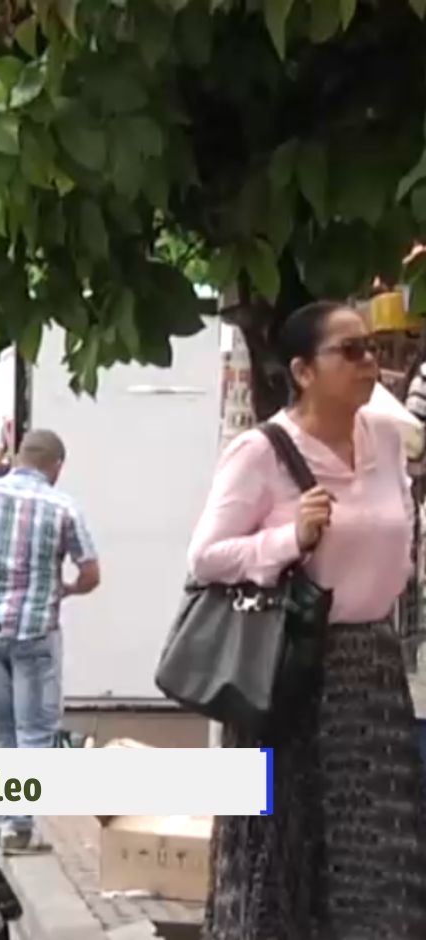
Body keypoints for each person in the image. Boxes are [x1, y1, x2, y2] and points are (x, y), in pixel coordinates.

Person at [189, 301, 426, 939]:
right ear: (301, 370)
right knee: (283, 854)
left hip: (372, 673)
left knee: (377, 858)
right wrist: (288, 538)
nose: (368, 361)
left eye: (370, 348)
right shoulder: (261, 451)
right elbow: (207, 557)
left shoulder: (384, 438)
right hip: (288, 669)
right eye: (348, 351)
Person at [0, 428, 100, 854]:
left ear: (17, 457)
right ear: (57, 466)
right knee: (34, 731)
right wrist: (65, 589)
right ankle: (18, 827)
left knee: (0, 727)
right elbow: (91, 574)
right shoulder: (62, 506)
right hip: (35, 632)